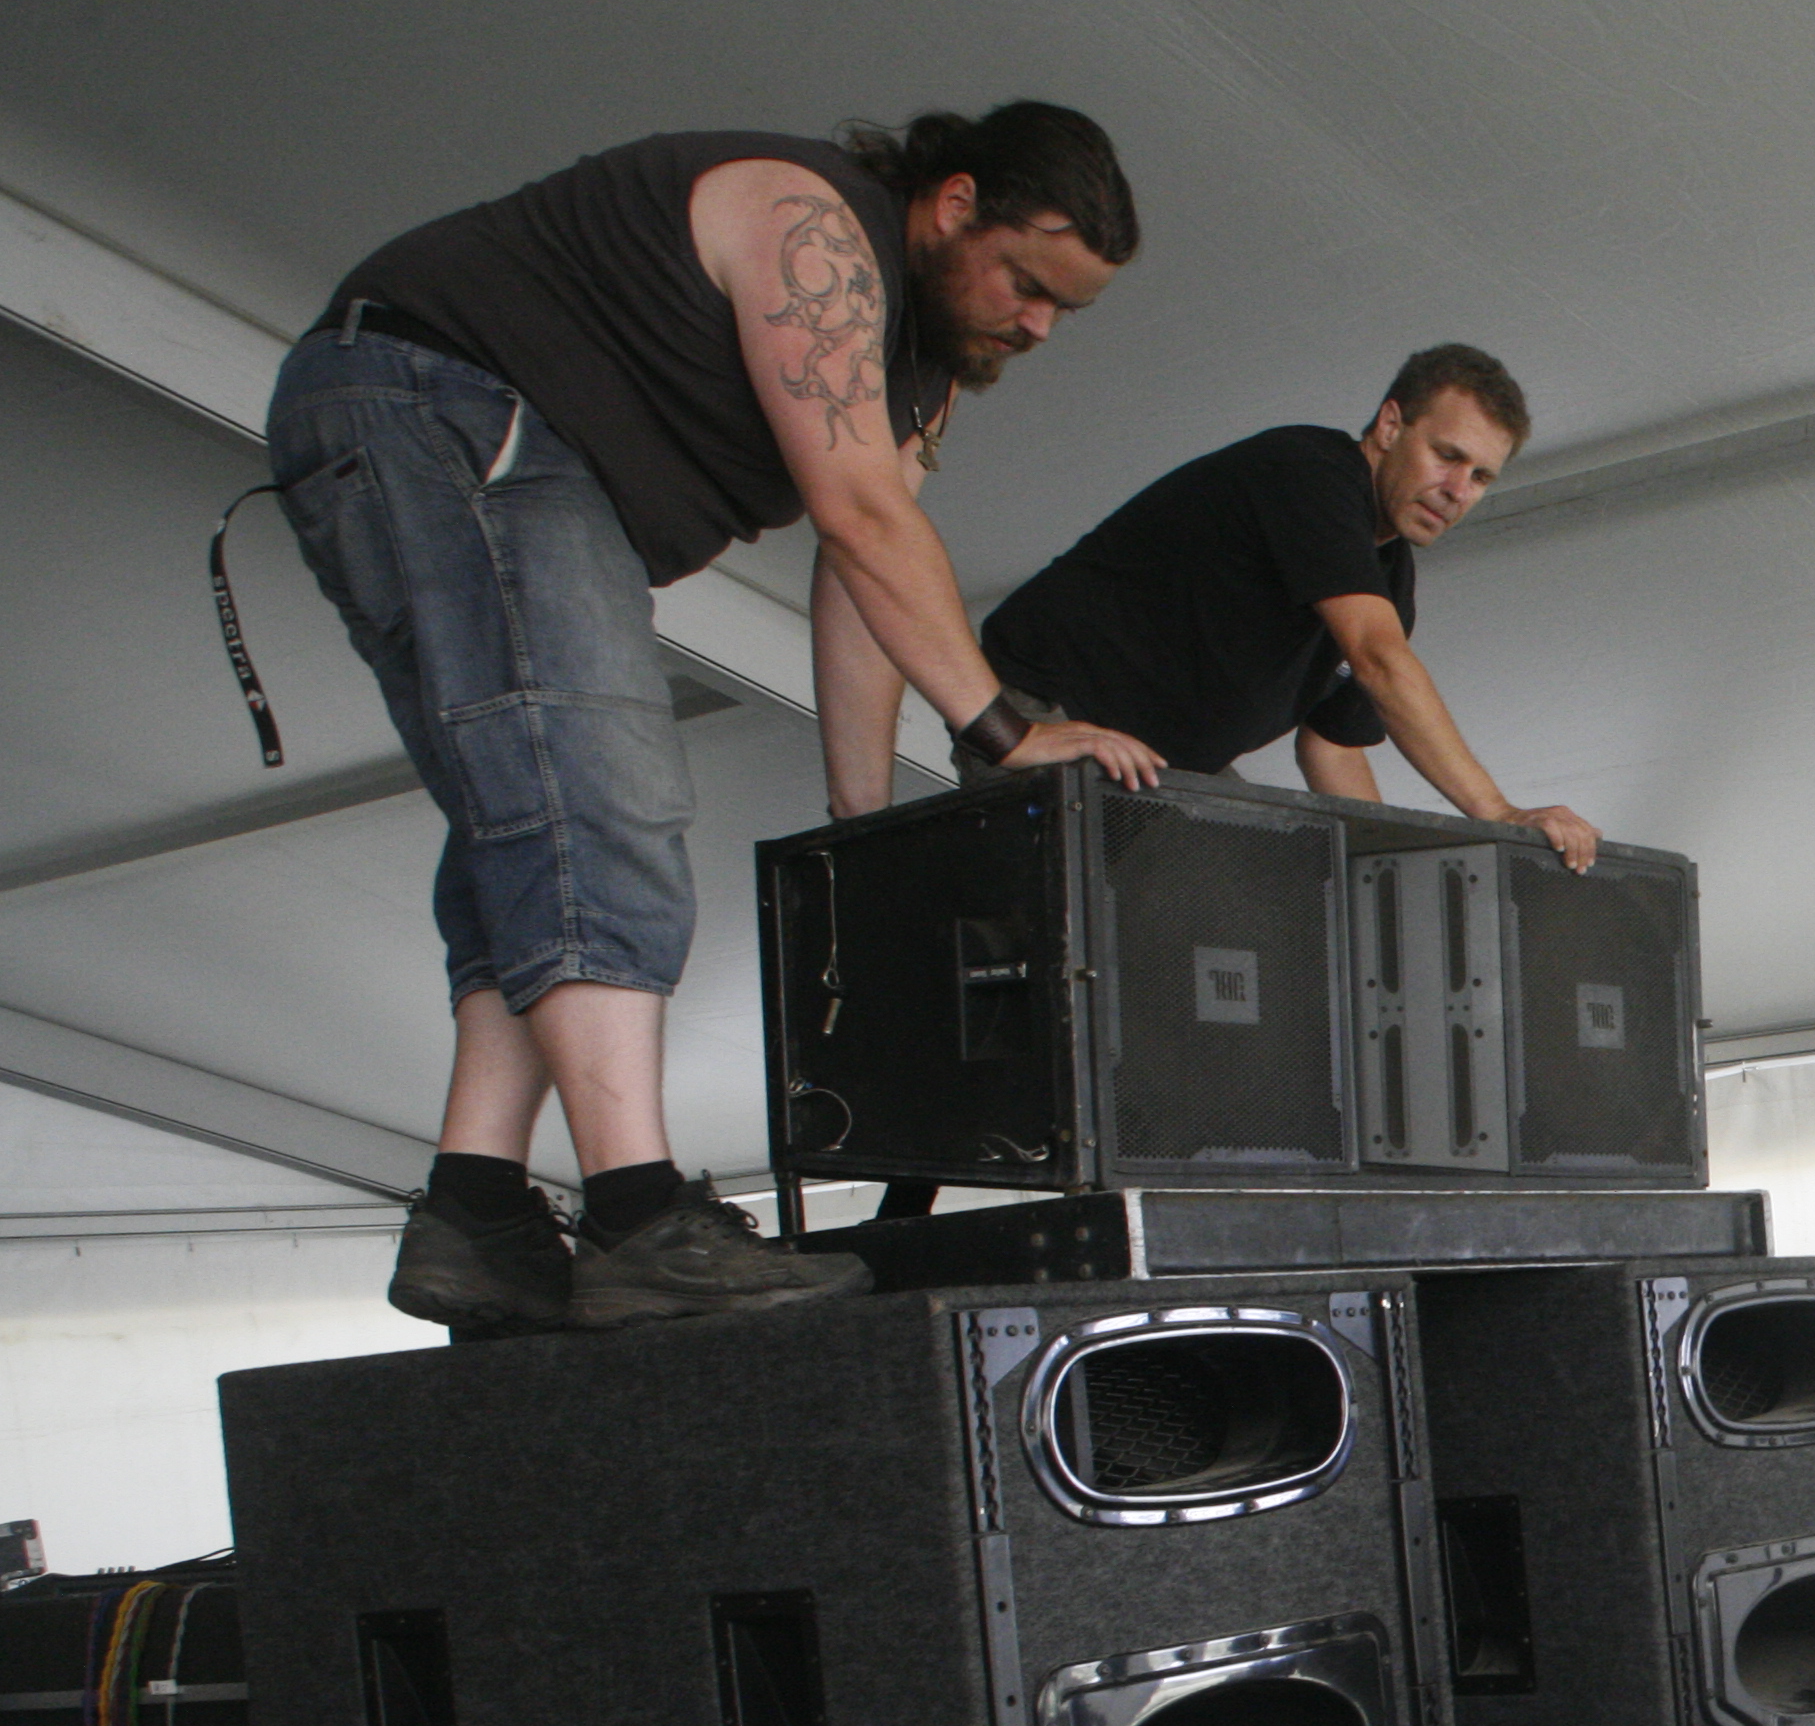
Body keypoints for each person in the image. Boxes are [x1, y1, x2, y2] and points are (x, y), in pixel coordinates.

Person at [271, 108, 1167, 1339]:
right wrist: (1007, 730)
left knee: (532, 815)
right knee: (605, 797)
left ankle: (473, 1209)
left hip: (428, 431)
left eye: (1066, 308)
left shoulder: (921, 374)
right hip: (446, 399)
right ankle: (639, 1216)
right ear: (956, 203)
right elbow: (861, 517)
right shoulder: (812, 224)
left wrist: (863, 819)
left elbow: (863, 574)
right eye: (1026, 281)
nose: (1038, 324)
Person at [976, 345, 1602, 869]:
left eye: (1482, 478)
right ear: (1390, 426)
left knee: (1270, 903)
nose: (1458, 491)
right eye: (1448, 456)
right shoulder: (1310, 472)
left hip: (1161, 765)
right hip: (1048, 710)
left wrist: (1382, 874)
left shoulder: (1390, 582)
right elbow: (1379, 660)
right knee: (1099, 923)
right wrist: (1497, 812)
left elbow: (1333, 747)